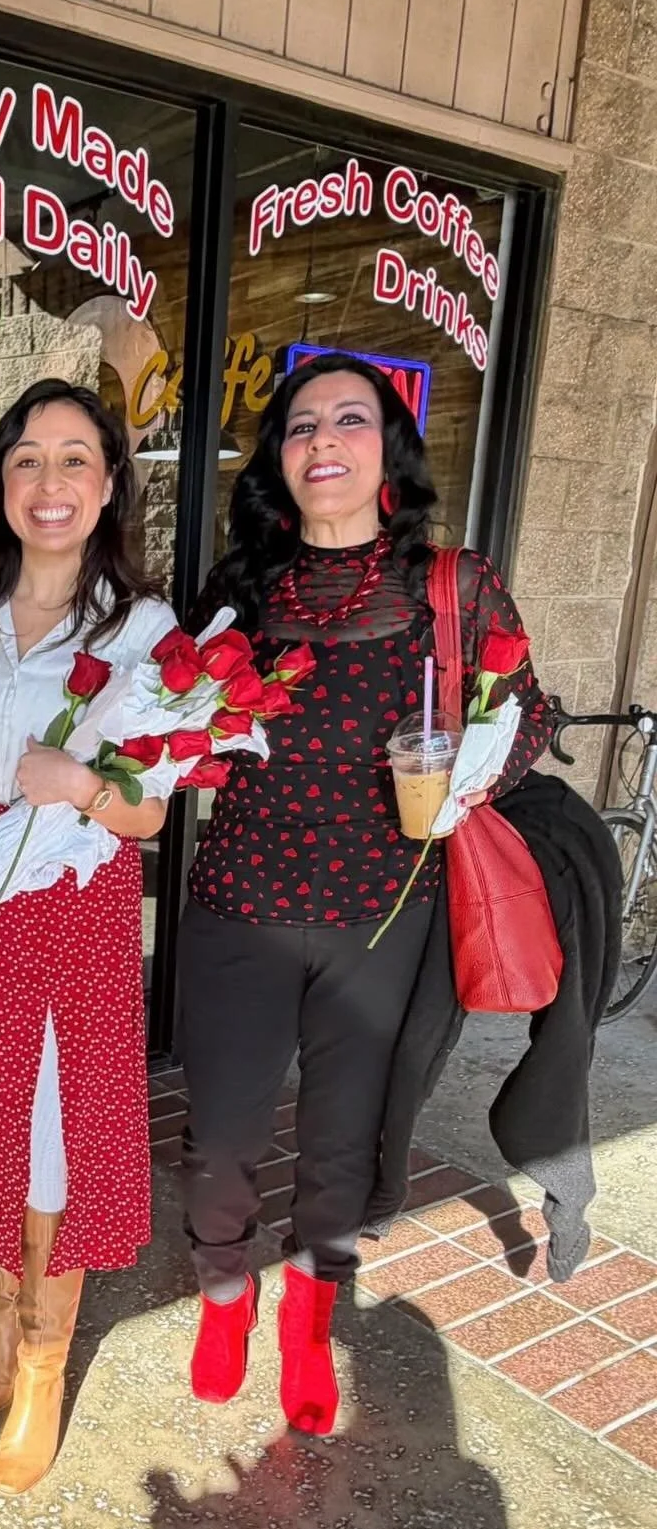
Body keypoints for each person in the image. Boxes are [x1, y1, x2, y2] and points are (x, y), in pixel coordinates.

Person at [178, 351, 552, 1435]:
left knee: (344, 1139)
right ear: (280, 461)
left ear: (387, 450)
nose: (324, 440)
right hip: (239, 903)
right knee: (223, 1138)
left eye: (350, 418)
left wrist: (471, 774)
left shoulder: (450, 583)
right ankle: (224, 1294)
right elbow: (184, 721)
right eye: (302, 425)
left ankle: (309, 1317)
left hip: (382, 913)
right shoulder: (239, 589)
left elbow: (529, 712)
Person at [0, 378, 180, 1496]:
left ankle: (46, 1362)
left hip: (72, 900)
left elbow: (151, 809)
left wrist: (81, 786)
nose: (48, 483)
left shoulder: (147, 633)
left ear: (108, 487)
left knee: (51, 1140)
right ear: (0, 481)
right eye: (26, 460)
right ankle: (4, 1322)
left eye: (73, 460)